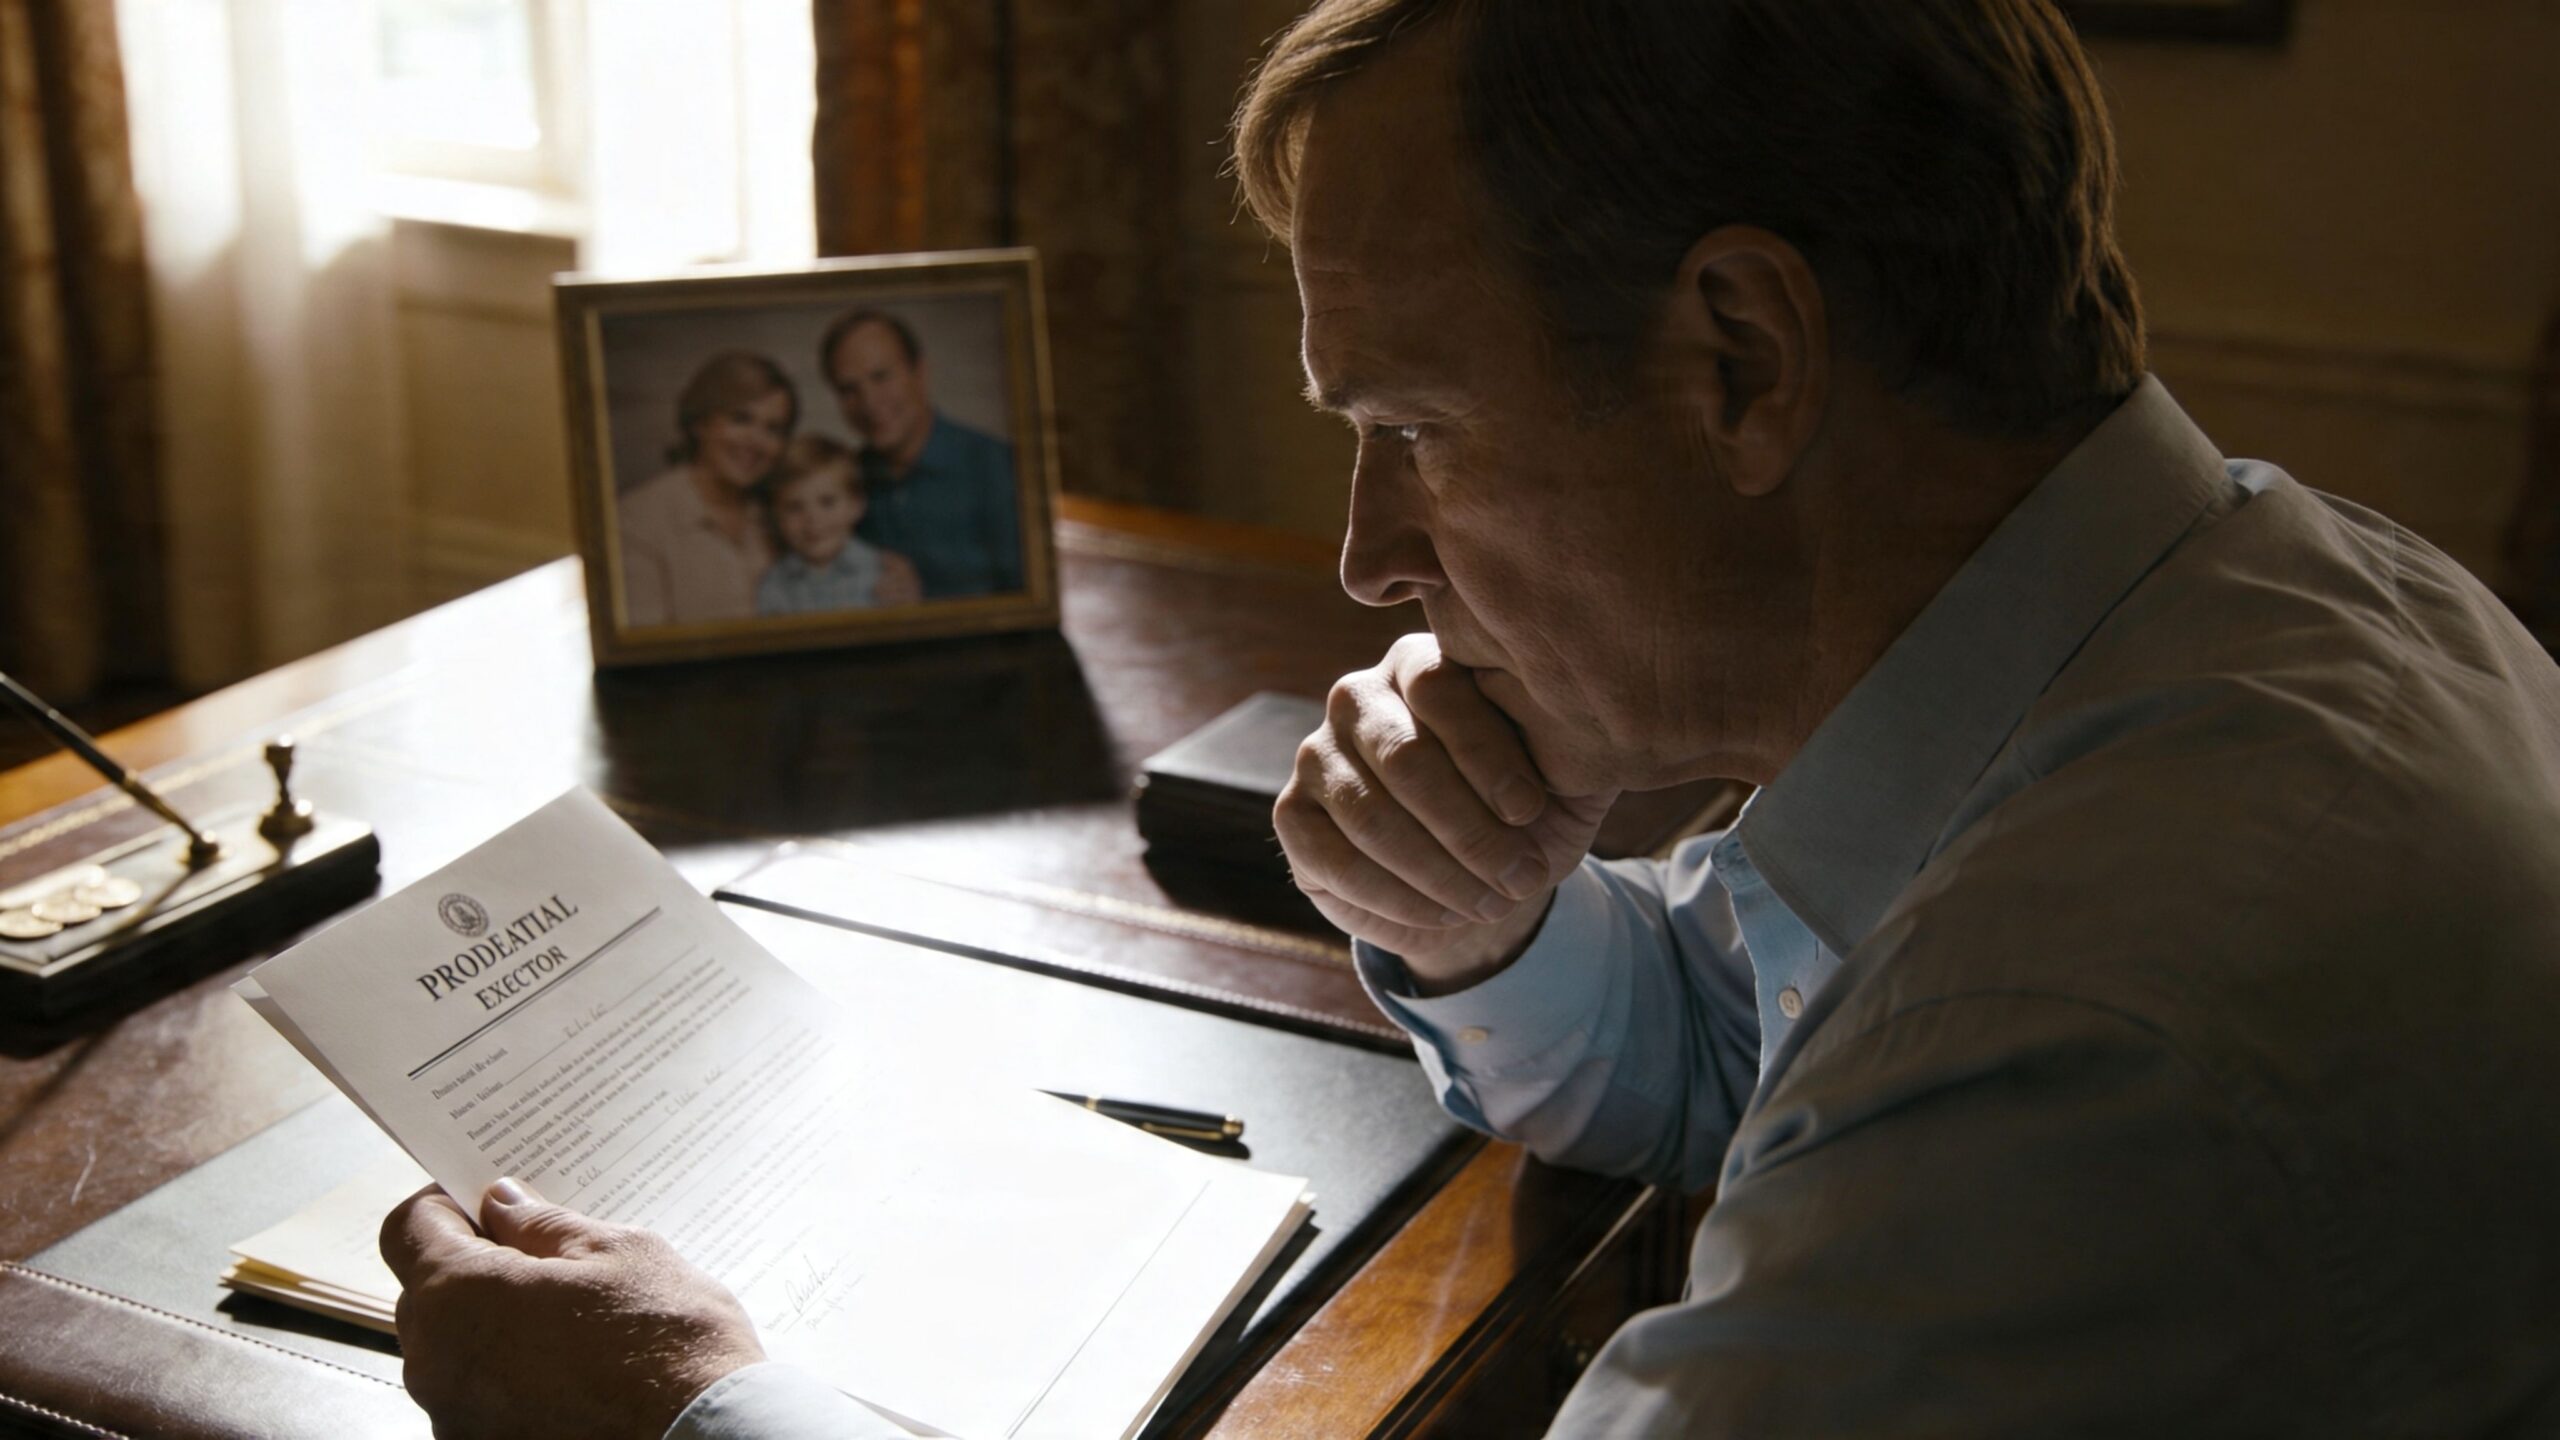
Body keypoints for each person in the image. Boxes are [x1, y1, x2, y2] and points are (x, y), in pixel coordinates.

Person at [380, 2, 2560, 1436]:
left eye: (1410, 424)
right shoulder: (2263, 601)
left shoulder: (2096, 1038)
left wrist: (689, 1408)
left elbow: (1928, 1070)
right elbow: (1763, 1060)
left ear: (1737, 359)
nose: (1360, 555)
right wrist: (1496, 932)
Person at [818, 308, 1025, 599]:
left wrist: (926, 600)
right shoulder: (845, 478)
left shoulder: (998, 467)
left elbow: (1027, 606)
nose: (869, 402)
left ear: (920, 372)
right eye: (848, 389)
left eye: (881, 377)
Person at [618, 351, 797, 627]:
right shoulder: (637, 520)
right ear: (700, 422)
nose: (756, 442)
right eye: (741, 419)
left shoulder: (783, 512)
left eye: (773, 429)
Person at [753, 435, 922, 615]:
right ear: (777, 516)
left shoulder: (884, 573)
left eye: (827, 502)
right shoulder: (773, 585)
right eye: (794, 507)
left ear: (857, 506)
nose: (812, 519)